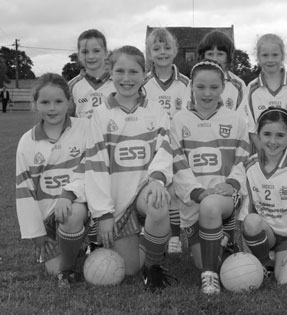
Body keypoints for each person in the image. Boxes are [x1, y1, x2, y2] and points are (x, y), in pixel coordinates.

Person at [84, 46, 176, 292]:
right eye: (120, 71)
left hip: (145, 189)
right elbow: (95, 168)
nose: (127, 78)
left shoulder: (156, 111)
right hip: (118, 202)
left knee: (158, 203)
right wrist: (103, 215)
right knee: (129, 268)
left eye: (134, 71)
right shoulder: (100, 116)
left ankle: (154, 267)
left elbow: (165, 150)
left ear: (145, 73)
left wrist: (157, 180)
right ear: (109, 73)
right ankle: (145, 243)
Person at [171, 60, 249, 294]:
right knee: (200, 258)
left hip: (222, 196)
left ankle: (210, 275)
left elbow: (243, 158)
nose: (207, 93)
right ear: (191, 87)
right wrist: (195, 191)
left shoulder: (235, 119)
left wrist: (231, 184)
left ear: (223, 87)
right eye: (201, 86)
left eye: (214, 87)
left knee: (211, 208)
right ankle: (225, 240)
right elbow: (176, 162)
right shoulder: (179, 120)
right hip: (192, 199)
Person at [15, 73, 90, 288]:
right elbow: (24, 191)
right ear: (35, 104)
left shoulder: (84, 128)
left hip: (81, 209)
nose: (52, 108)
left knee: (72, 213)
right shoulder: (27, 142)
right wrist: (37, 235)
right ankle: (68, 247)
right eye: (45, 102)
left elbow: (91, 169)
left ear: (69, 102)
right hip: (48, 219)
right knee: (51, 268)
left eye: (58, 101)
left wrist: (68, 194)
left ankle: (67, 271)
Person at [238, 107, 287, 285]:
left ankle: (281, 257)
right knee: (251, 221)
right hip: (261, 230)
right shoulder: (250, 165)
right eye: (267, 134)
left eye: (280, 135)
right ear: (257, 135)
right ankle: (265, 262)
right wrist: (245, 254)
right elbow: (245, 215)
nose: (273, 141)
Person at [143, 28, 190, 254]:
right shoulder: (142, 84)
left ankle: (175, 237)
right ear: (149, 53)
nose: (162, 52)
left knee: (176, 192)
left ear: (175, 51)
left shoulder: (186, 83)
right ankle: (151, 232)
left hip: (179, 146)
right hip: (152, 147)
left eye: (167, 47)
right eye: (156, 48)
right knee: (156, 190)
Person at [245, 33, 287, 154]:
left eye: (275, 55)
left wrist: (286, 154)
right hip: (261, 156)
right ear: (258, 57)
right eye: (265, 55)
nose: (270, 60)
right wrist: (265, 154)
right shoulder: (252, 88)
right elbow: (250, 128)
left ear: (282, 56)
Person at [187, 30, 248, 112]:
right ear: (203, 56)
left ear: (228, 57)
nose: (215, 59)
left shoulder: (238, 85)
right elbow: (186, 115)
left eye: (220, 54)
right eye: (210, 54)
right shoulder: (194, 84)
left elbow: (243, 120)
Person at [69, 29, 115, 118]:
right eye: (85, 52)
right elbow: (68, 119)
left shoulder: (118, 82)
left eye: (96, 51)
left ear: (106, 53)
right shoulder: (72, 86)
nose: (90, 56)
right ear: (78, 55)